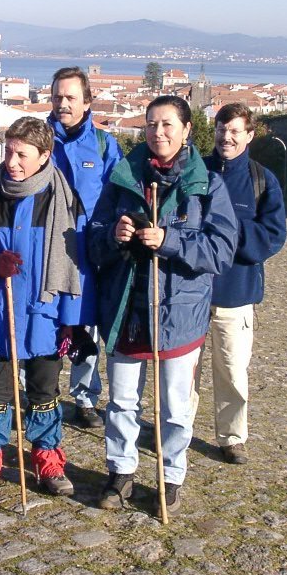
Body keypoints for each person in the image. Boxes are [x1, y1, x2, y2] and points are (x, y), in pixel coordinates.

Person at [89, 95, 237, 516]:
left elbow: (222, 249)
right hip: (126, 306)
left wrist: (170, 243)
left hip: (180, 312)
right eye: (152, 124)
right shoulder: (122, 179)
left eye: (168, 124)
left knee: (174, 407)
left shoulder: (207, 183)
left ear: (187, 129)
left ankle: (171, 475)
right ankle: (121, 471)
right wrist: (113, 236)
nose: (159, 132)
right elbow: (95, 237)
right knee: (121, 401)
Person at [0, 117, 94, 502]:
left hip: (45, 318)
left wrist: (73, 322)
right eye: (8, 151)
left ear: (44, 156)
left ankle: (48, 460)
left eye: (22, 154)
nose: (12, 161)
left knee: (45, 393)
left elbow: (76, 264)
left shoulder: (62, 200)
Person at [202, 103, 287, 464]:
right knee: (181, 373)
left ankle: (232, 437)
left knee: (233, 371)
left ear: (250, 136)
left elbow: (273, 235)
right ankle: (175, 431)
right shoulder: (195, 170)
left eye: (236, 130)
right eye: (222, 129)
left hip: (235, 293)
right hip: (189, 290)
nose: (227, 137)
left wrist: (229, 230)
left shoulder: (262, 180)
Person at [47, 66, 122, 429]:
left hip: (89, 249)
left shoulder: (105, 144)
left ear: (87, 101)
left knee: (86, 322)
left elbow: (120, 193)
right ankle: (41, 391)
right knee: (46, 318)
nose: (63, 103)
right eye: (58, 96)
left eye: (71, 97)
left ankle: (85, 396)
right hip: (46, 248)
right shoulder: (39, 139)